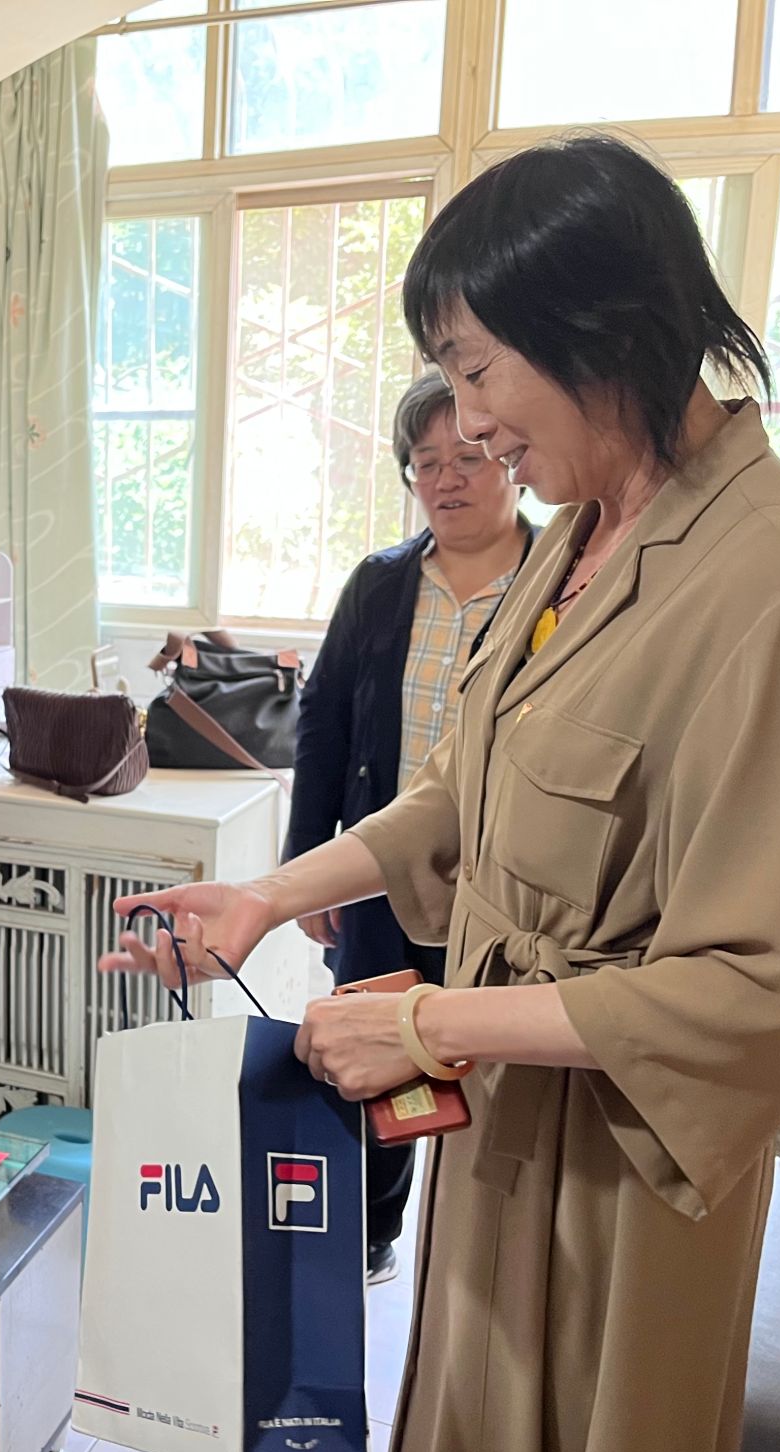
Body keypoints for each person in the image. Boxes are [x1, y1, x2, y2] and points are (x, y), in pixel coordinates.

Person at [104, 134, 780, 1452]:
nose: (467, 427)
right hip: (502, 1112)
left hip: (625, 1167)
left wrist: (426, 1025)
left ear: (596, 327)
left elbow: (763, 986)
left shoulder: (779, 574)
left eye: (476, 373)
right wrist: (266, 900)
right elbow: (463, 792)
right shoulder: (579, 536)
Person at [286, 368, 535, 1285]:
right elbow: (322, 726)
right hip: (383, 870)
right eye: (424, 463)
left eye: (465, 456)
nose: (445, 479)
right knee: (378, 1047)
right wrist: (308, 868)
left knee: (492, 1051)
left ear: (508, 458)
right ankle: (373, 1225)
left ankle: (483, 1240)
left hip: (503, 881)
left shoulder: (559, 580)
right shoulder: (382, 583)